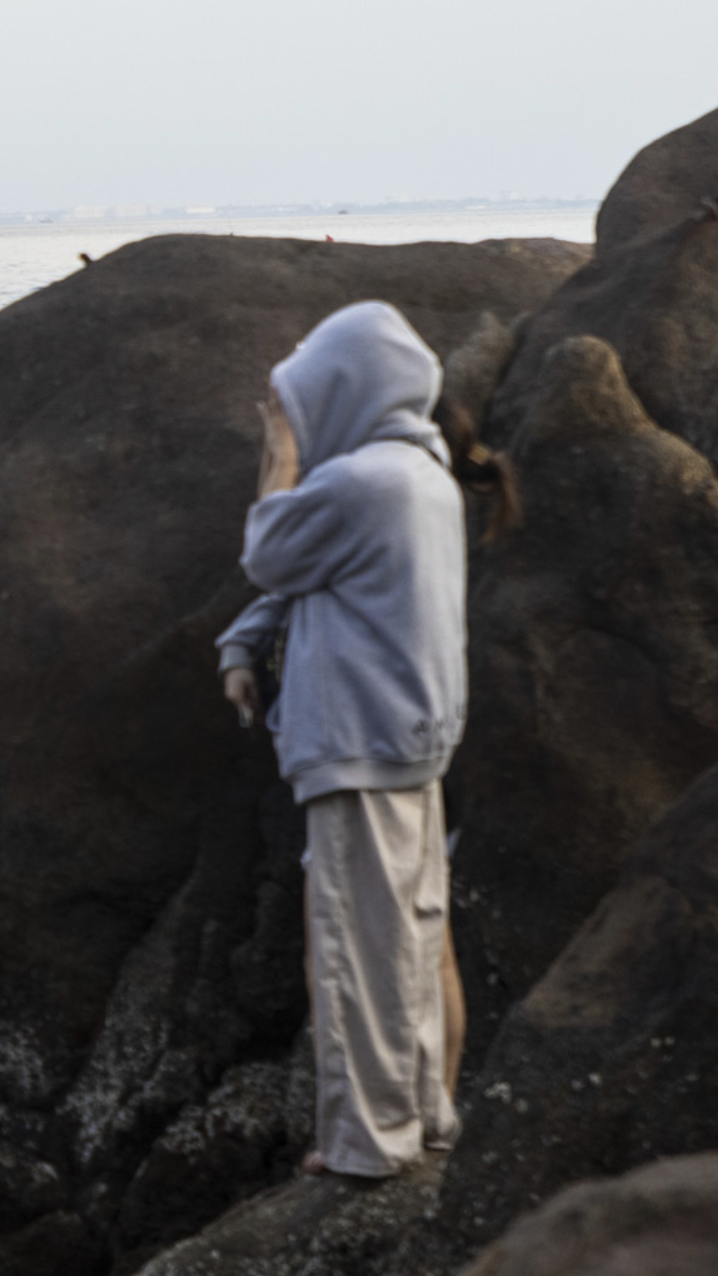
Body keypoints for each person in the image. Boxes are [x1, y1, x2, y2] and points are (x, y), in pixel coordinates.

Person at [215, 300, 466, 1179]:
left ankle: (370, 1142)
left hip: (360, 741)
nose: (293, 416)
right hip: (409, 735)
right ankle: (427, 1115)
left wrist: (282, 456)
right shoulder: (420, 474)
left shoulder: (364, 484)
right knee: (413, 930)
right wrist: (246, 644)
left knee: (358, 946)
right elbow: (311, 581)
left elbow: (271, 551)